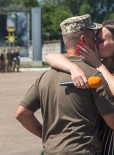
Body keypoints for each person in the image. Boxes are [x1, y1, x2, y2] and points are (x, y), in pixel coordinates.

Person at [15, 14, 114, 154]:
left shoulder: (45, 76)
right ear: (83, 39)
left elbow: (21, 114)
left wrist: (48, 138)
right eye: (94, 38)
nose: (96, 43)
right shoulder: (94, 75)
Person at [45, 20, 114, 155]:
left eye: (100, 40)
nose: (95, 44)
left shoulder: (98, 65)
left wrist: (98, 66)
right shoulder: (98, 64)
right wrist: (72, 67)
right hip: (99, 138)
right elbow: (50, 56)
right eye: (95, 40)